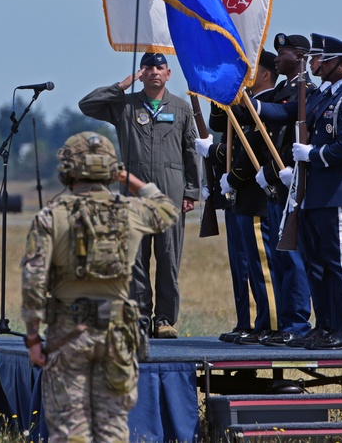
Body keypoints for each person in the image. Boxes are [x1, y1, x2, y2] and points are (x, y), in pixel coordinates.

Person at [21, 132, 178, 443]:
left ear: (67, 169)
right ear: (110, 169)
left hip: (67, 330)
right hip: (118, 332)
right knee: (113, 427)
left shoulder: (52, 215)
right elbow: (166, 209)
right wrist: (128, 178)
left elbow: (34, 280)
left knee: (69, 429)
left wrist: (32, 337)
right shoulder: (131, 211)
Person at [254, 35, 342, 349]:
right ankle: (326, 325)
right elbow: (288, 112)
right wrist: (252, 105)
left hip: (337, 191)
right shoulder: (322, 96)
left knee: (338, 262)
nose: (318, 63)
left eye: (326, 59)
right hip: (315, 192)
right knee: (316, 263)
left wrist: (312, 155)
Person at [78, 53, 198, 339]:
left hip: (169, 193)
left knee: (168, 259)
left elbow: (191, 151)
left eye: (159, 68)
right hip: (134, 194)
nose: (154, 72)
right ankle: (141, 318)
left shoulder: (181, 108)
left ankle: (165, 320)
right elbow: (87, 105)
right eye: (147, 67)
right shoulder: (125, 106)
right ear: (141, 73)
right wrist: (120, 86)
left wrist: (191, 191)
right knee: (136, 261)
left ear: (168, 74)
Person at [205, 50, 280, 344]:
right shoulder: (246, 104)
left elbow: (254, 150)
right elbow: (220, 126)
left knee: (260, 264)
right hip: (239, 195)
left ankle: (268, 324)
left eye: (250, 70)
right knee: (242, 264)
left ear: (264, 74)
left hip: (256, 194)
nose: (244, 76)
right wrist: (218, 87)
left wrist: (229, 173)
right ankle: (247, 322)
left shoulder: (271, 105)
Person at [254, 33, 315, 346]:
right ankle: (285, 322)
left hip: (294, 181)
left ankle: (297, 323)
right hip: (277, 181)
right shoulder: (282, 89)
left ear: (300, 55)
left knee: (292, 258)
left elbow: (288, 118)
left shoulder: (305, 89)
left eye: (284, 52)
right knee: (280, 258)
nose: (277, 58)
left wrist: (251, 104)